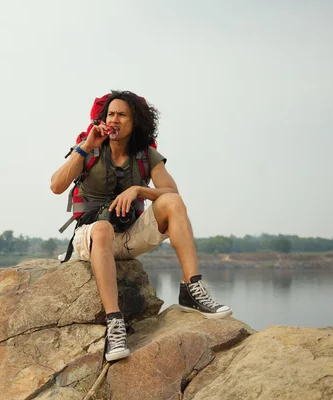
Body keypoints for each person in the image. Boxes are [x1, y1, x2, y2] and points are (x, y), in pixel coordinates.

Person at [50, 90, 232, 362]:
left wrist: (138, 190)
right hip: (93, 236)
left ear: (136, 122)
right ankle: (114, 323)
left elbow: (173, 192)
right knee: (102, 228)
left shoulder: (146, 154)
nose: (114, 120)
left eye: (122, 115)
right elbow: (56, 186)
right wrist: (86, 146)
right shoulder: (90, 147)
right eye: (110, 114)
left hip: (130, 237)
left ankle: (191, 289)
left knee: (172, 202)